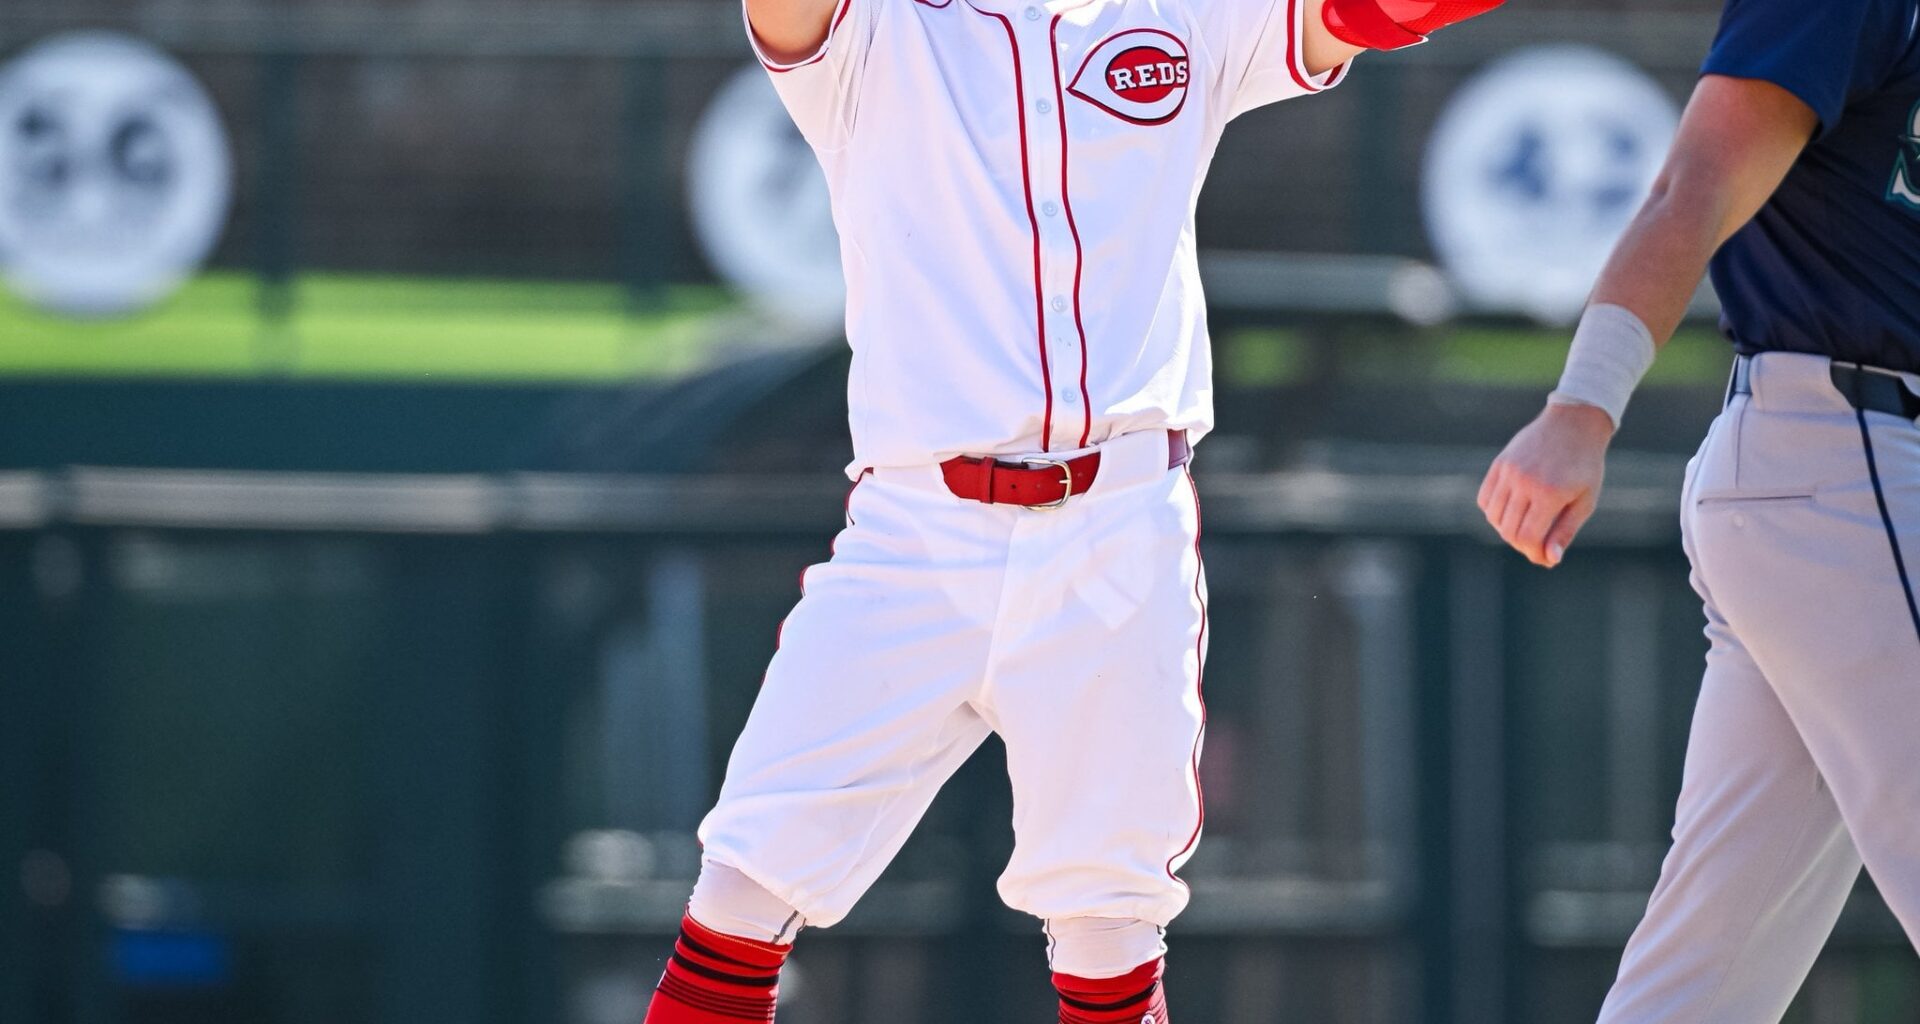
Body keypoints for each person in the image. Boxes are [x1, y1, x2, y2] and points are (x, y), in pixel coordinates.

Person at [643, 0, 1503, 1020]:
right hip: (919, 525)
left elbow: (1370, 11)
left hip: (1117, 519)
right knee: (744, 886)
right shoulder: (880, 29)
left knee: (1109, 926)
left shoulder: (1183, 15)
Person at [1477, 0, 1920, 1018]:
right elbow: (1698, 179)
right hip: (1847, 461)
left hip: (1841, 488)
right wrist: (1582, 406)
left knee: (1702, 983)